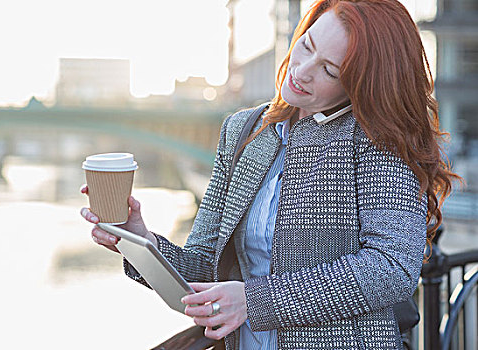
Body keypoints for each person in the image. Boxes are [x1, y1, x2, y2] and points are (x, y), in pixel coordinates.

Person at [80, 0, 460, 348]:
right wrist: (140, 240)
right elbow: (203, 264)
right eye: (307, 45)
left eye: (329, 69)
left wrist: (256, 301)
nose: (302, 70)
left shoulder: (381, 141)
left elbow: (392, 268)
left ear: (360, 84)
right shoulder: (243, 130)